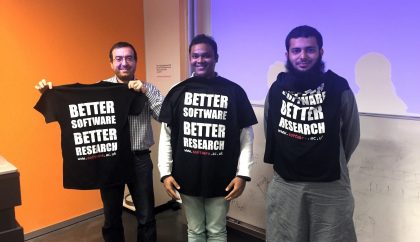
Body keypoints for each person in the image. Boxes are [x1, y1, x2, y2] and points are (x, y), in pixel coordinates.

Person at [35, 41, 164, 242]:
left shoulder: (148, 89)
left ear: (136, 62)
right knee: (112, 216)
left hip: (138, 159)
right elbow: (74, 107)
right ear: (111, 64)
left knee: (146, 215)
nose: (124, 63)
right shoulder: (100, 90)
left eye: (129, 58)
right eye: (118, 59)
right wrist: (50, 95)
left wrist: (145, 92)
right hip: (110, 159)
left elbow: (164, 115)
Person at [264, 25, 360, 242]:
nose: (303, 56)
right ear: (287, 54)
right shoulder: (277, 89)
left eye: (310, 50)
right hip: (286, 184)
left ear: (321, 52)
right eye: (296, 50)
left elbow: (350, 136)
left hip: (330, 186)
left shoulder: (339, 87)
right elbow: (271, 129)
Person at [157, 34, 258, 242]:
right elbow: (166, 136)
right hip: (186, 176)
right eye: (195, 56)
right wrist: (165, 173)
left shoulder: (234, 92)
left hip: (222, 177)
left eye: (206, 56)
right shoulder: (177, 92)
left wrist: (243, 174)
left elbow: (246, 136)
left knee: (217, 231)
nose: (200, 60)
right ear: (190, 58)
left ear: (216, 57)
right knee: (194, 231)